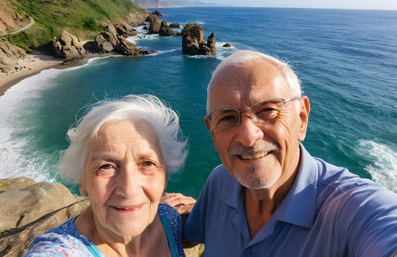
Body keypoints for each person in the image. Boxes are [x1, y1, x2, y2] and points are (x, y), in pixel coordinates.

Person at [162, 50, 397, 256]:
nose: (248, 136)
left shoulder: (354, 209)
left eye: (267, 110)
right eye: (227, 117)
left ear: (302, 119)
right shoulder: (220, 181)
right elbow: (192, 234)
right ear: (212, 131)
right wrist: (166, 213)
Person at [25, 95, 188, 257]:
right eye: (106, 166)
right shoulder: (59, 252)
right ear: (83, 181)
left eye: (147, 163)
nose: (129, 190)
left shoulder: (169, 219)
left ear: (165, 174)